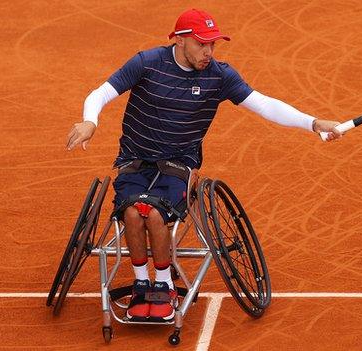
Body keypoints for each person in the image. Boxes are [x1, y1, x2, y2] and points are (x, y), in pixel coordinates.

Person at [65, 8, 342, 322]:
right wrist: (90, 122)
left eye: (213, 44)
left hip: (178, 165)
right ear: (181, 41)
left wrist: (313, 123)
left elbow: (263, 104)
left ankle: (165, 285)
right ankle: (142, 282)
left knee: (155, 214)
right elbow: (101, 93)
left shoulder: (220, 76)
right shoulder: (147, 63)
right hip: (134, 160)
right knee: (131, 211)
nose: (209, 51)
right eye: (201, 44)